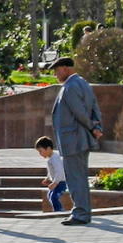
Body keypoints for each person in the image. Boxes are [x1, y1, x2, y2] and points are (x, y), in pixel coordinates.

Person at [51, 57, 103, 226]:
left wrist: (92, 127)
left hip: (73, 140)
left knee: (75, 178)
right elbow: (95, 107)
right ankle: (83, 212)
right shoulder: (83, 83)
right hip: (79, 139)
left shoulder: (70, 87)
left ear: (66, 69)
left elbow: (79, 112)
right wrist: (97, 126)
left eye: (57, 71)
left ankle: (80, 213)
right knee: (79, 177)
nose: (55, 75)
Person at [35, 136, 67, 213]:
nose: (40, 154)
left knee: (54, 197)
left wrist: (55, 183)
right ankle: (57, 210)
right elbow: (51, 171)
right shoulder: (50, 158)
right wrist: (48, 178)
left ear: (48, 148)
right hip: (57, 182)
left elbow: (59, 171)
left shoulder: (55, 158)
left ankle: (59, 211)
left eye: (41, 151)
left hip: (61, 183)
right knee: (50, 195)